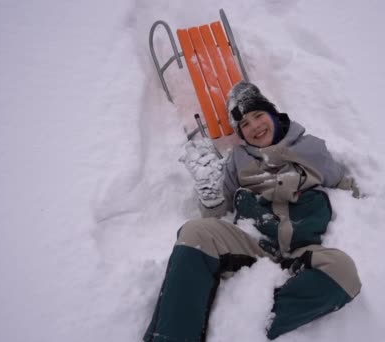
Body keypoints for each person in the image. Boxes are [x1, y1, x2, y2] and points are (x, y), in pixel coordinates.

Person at [143, 81, 362, 341]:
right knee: (194, 233)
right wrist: (210, 196)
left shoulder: (311, 149)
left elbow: (343, 186)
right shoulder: (238, 160)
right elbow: (218, 214)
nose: (255, 127)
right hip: (253, 245)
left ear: (272, 114)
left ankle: (246, 326)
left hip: (300, 252)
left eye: (258, 116)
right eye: (244, 124)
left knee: (344, 272)